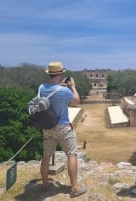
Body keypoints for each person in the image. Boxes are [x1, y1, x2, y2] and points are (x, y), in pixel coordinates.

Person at [39, 61, 87, 198]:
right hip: (63, 126)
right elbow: (76, 101)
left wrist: (60, 86)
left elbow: (52, 91)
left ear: (49, 74)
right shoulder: (64, 91)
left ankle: (45, 185)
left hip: (47, 126)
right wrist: (73, 87)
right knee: (71, 155)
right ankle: (74, 188)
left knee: (46, 156)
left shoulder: (41, 88)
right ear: (61, 74)